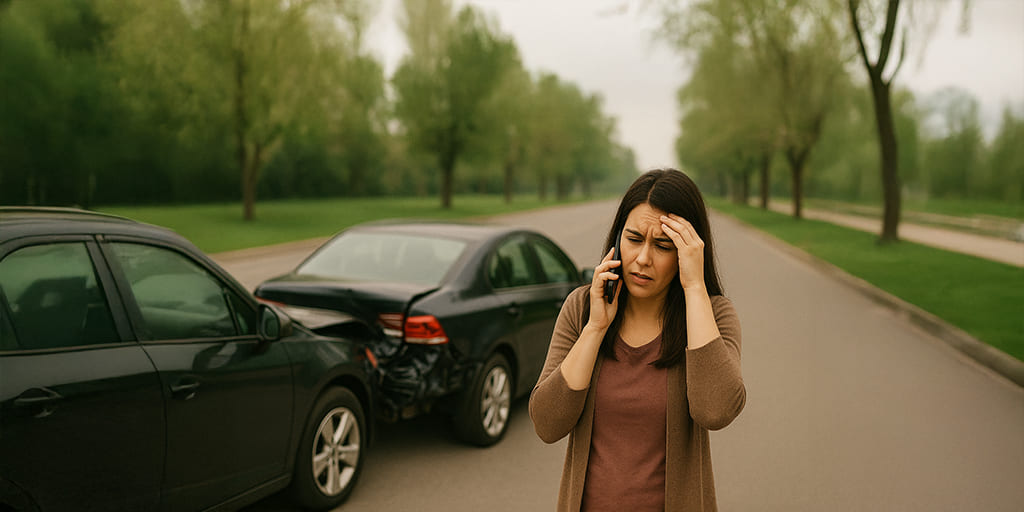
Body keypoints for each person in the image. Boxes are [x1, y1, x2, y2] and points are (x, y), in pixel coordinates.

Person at [529, 168, 745, 511]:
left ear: (686, 252)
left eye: (662, 245)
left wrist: (694, 288)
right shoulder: (581, 307)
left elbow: (715, 411)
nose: (643, 259)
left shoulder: (712, 315)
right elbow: (547, 423)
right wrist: (595, 328)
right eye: (633, 239)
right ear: (616, 239)